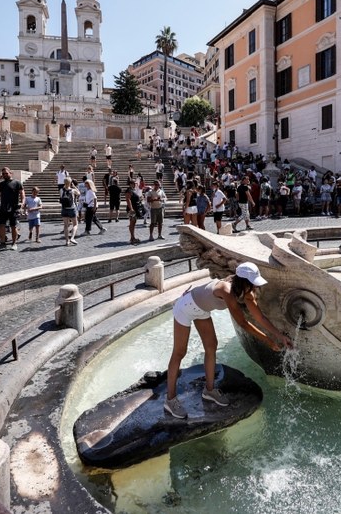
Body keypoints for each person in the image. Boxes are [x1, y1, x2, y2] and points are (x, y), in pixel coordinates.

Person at [163, 262, 292, 419]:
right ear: (243, 281)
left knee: (211, 346)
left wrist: (279, 336)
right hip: (185, 307)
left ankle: (209, 391)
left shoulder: (247, 292)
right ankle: (170, 401)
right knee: (179, 352)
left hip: (202, 310)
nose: (255, 287)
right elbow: (242, 323)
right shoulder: (226, 290)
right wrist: (268, 341)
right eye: (252, 283)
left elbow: (260, 317)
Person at [0, 168, 24, 251]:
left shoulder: (17, 182)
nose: (5, 175)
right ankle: (2, 243)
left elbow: (22, 194)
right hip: (3, 207)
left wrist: (22, 203)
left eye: (6, 173)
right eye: (3, 174)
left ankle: (14, 243)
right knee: (0, 225)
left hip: (13, 208)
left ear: (10, 173)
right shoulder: (1, 183)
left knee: (13, 226)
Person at [59, 179, 79, 246]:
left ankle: (67, 241)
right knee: (75, 224)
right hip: (72, 208)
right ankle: (72, 238)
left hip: (64, 209)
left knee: (65, 225)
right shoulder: (73, 190)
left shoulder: (61, 190)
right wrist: (74, 186)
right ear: (71, 183)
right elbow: (79, 193)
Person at [125, 179, 143, 245]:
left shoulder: (132, 190)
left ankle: (132, 237)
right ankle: (132, 238)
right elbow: (128, 199)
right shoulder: (129, 190)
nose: (135, 184)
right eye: (133, 183)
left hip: (135, 209)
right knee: (132, 223)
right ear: (130, 184)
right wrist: (131, 209)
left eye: (135, 183)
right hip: (131, 209)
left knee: (133, 223)